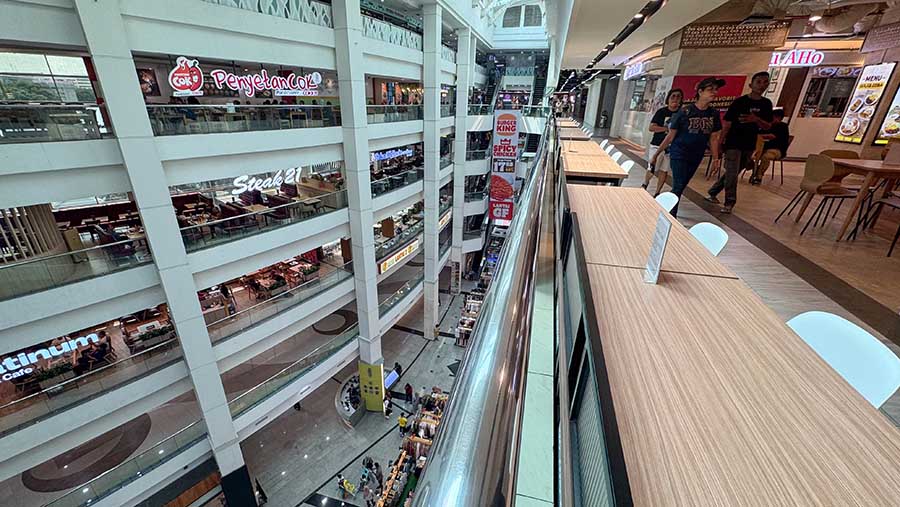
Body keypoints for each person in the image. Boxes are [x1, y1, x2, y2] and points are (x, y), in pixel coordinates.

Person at [651, 77, 723, 217]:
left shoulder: (713, 114)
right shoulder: (685, 112)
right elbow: (670, 136)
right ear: (700, 92)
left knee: (682, 184)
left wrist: (716, 158)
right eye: (710, 90)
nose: (714, 93)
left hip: (696, 154)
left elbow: (714, 138)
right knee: (678, 184)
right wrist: (657, 153)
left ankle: (668, 208)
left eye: (715, 90)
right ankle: (671, 215)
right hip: (679, 153)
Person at [706, 72, 773, 213]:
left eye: (765, 82)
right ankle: (729, 202)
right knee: (731, 172)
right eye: (759, 82)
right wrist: (720, 144)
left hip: (749, 144)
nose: (762, 85)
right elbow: (727, 124)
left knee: (735, 171)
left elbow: (768, 125)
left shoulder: (766, 104)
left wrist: (756, 120)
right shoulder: (740, 102)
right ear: (751, 84)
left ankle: (713, 191)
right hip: (733, 142)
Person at [643, 88, 684, 195]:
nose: (675, 99)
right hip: (657, 145)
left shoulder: (682, 114)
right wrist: (668, 129)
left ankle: (657, 192)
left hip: (672, 148)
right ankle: (645, 184)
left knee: (664, 170)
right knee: (652, 167)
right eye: (673, 96)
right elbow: (651, 127)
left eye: (678, 96)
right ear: (668, 99)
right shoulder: (662, 112)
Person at [751, 108, 789, 184]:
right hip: (763, 148)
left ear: (778, 117)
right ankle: (754, 170)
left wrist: (760, 136)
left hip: (777, 150)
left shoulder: (783, 126)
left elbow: (771, 136)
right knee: (750, 155)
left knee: (766, 157)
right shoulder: (768, 125)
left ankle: (759, 176)